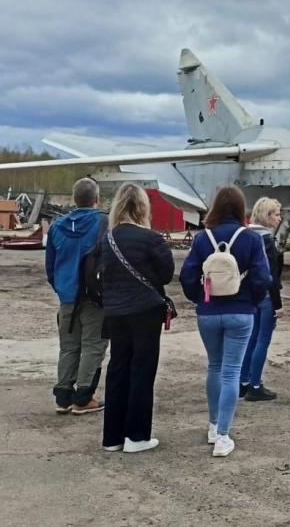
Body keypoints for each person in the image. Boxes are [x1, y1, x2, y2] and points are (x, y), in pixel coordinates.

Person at [179, 185, 272, 457]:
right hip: (241, 312)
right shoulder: (252, 239)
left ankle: (212, 425)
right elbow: (262, 279)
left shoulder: (202, 238)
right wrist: (251, 301)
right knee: (232, 371)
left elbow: (186, 276)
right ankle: (223, 437)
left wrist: (201, 298)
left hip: (208, 311)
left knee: (215, 367)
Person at [98, 184, 175, 453]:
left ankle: (112, 437)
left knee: (118, 368)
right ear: (143, 207)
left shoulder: (107, 239)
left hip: (116, 311)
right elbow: (166, 274)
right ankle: (137, 435)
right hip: (144, 311)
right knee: (142, 370)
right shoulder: (151, 238)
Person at [46, 177, 109, 415]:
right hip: (94, 296)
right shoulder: (105, 222)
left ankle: (63, 395)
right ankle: (83, 397)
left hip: (67, 296)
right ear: (96, 199)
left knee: (68, 347)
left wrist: (61, 288)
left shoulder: (56, 226)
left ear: (74, 199)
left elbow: (50, 266)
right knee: (94, 345)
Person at [239, 197, 285, 402]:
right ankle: (256, 384)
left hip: (248, 295)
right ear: (267, 217)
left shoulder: (245, 235)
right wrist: (278, 304)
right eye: (276, 214)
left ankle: (243, 380)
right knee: (262, 340)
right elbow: (272, 274)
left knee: (250, 338)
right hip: (266, 296)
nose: (279, 218)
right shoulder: (266, 239)